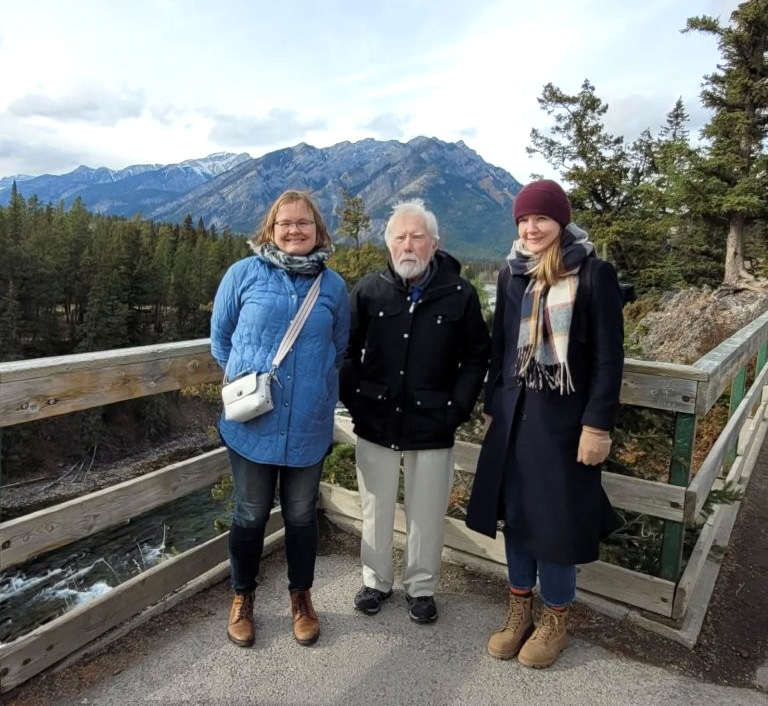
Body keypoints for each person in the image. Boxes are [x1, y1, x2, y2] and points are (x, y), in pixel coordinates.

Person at [465, 179, 623, 668]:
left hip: (564, 425)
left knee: (556, 524)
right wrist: (493, 407)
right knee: (516, 519)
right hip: (515, 419)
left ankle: (555, 619)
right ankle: (518, 613)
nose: (532, 228)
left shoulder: (595, 275)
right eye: (524, 220)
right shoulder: (514, 276)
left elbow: (608, 358)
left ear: (561, 222)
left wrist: (597, 425)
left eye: (541, 219)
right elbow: (501, 352)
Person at [340, 199, 490, 624]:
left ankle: (421, 588)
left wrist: (457, 408)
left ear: (434, 243)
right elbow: (346, 350)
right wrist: (355, 398)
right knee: (376, 507)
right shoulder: (369, 290)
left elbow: (478, 356)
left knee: (426, 511)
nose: (408, 244)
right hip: (376, 419)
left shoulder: (460, 294)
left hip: (433, 420)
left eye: (417, 237)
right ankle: (375, 581)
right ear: (388, 243)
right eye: (400, 236)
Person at [210, 190, 349, 648]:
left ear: (318, 230)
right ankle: (242, 597)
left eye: (303, 223)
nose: (294, 230)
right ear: (270, 229)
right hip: (253, 424)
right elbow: (221, 341)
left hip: (308, 424)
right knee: (249, 513)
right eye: (285, 223)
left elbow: (339, 350)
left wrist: (316, 392)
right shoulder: (242, 275)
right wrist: (248, 387)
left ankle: (301, 598)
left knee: (301, 515)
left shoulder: (332, 287)